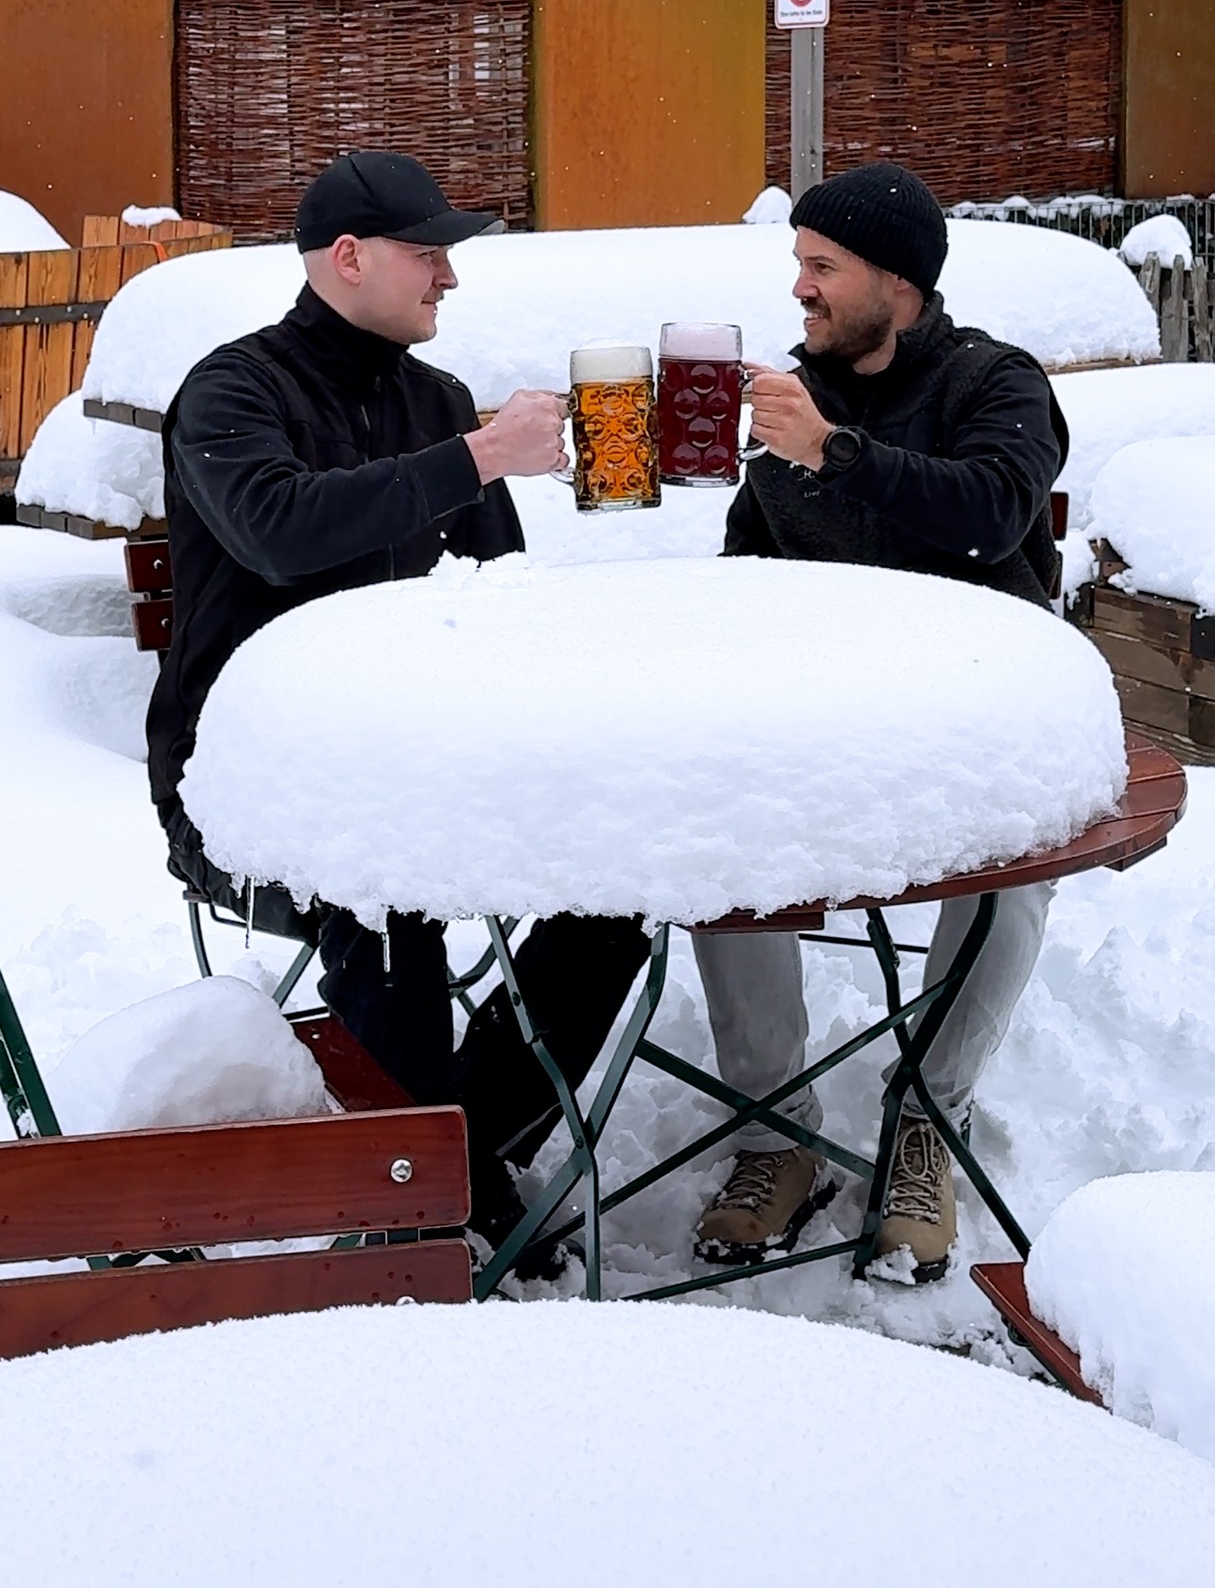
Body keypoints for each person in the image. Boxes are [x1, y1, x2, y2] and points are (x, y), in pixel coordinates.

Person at [147, 150, 650, 1259]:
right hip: (246, 785)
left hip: (430, 767)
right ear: (347, 259)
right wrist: (472, 456)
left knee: (622, 886)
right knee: (387, 901)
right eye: (431, 257)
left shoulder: (433, 400)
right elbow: (279, 529)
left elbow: (497, 594)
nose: (449, 281)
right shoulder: (232, 391)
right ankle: (414, 1200)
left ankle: (457, 1156)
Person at [694, 163, 1067, 1282]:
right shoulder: (791, 396)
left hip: (973, 718)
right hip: (820, 723)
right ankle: (772, 1135)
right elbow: (745, 565)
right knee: (709, 827)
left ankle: (925, 1124)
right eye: (797, 266)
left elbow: (992, 511)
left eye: (823, 268)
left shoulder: (995, 380)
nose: (799, 291)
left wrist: (834, 453)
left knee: (1024, 861)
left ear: (897, 286)